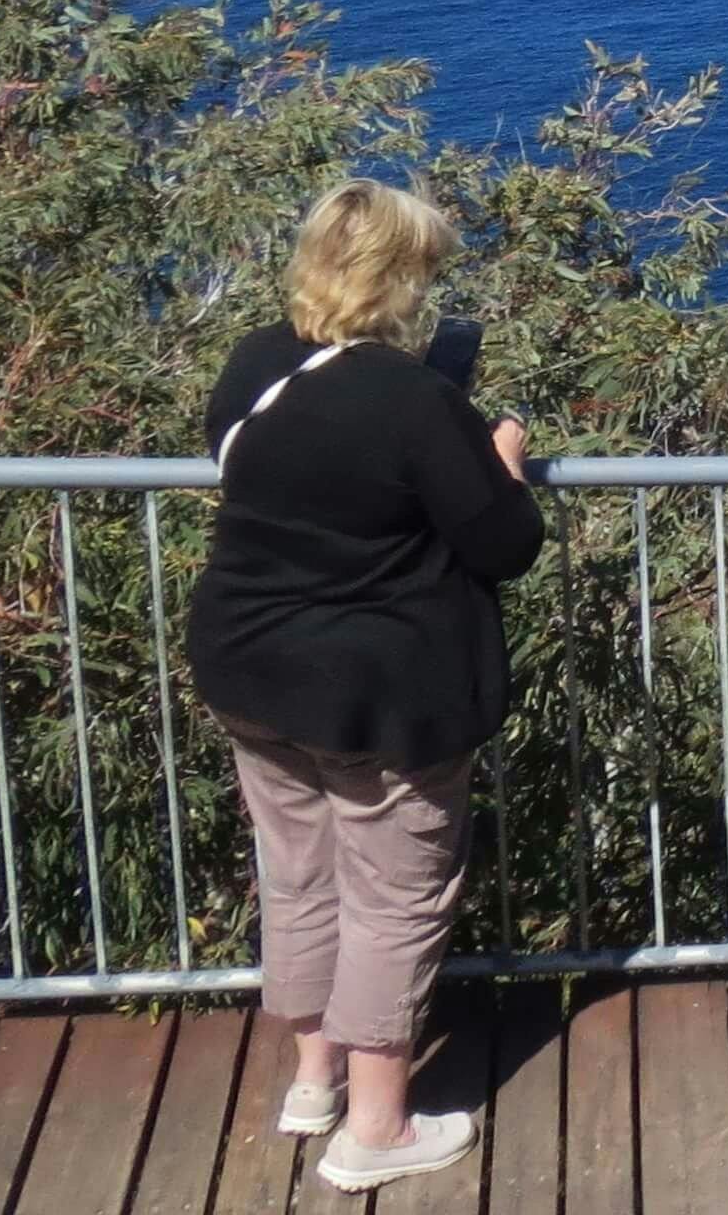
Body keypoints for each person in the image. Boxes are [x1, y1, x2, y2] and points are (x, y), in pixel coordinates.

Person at [187, 177, 543, 1195]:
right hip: (383, 696)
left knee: (297, 873)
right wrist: (501, 457)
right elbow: (502, 543)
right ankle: (377, 1130)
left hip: (250, 668)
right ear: (396, 282)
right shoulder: (414, 399)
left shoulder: (257, 361)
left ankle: (314, 1082)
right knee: (395, 897)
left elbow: (269, 468)